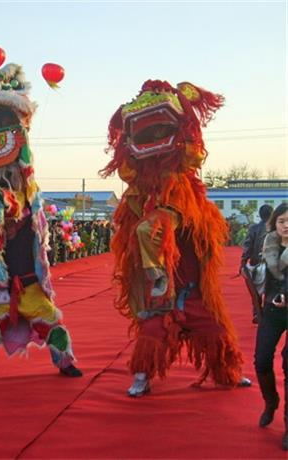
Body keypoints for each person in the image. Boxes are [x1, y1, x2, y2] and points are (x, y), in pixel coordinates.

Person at [100, 80, 251, 396]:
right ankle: (142, 375)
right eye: (146, 134)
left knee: (215, 329)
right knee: (152, 333)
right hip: (162, 294)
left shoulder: (184, 188)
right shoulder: (135, 196)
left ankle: (228, 373)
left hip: (191, 287)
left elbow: (162, 226)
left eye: (160, 133)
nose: (154, 139)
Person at [0, 62, 83, 383]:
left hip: (29, 283)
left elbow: (16, 204)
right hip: (1, 290)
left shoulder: (23, 199)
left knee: (52, 324)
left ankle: (65, 362)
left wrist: (1, 200)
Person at [255, 203, 288, 451]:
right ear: (274, 223)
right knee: (262, 360)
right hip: (272, 309)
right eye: (281, 221)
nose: (286, 225)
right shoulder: (268, 244)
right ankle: (270, 401)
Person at [241, 204, 274, 323]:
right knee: (269, 290)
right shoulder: (276, 227)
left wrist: (243, 261)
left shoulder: (253, 228)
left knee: (256, 291)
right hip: (272, 264)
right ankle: (265, 313)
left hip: (255, 264)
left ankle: (257, 312)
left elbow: (247, 245)